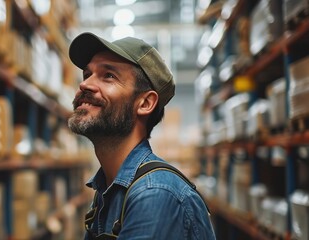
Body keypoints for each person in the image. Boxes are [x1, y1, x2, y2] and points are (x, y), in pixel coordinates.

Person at [67, 32, 216, 240]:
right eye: (87, 74)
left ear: (145, 104)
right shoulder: (107, 189)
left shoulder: (155, 194)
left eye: (108, 75)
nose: (85, 84)